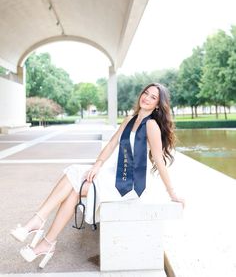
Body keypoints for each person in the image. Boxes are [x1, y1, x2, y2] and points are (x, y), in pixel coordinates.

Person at [10, 83, 184, 268]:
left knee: (74, 184)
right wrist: (98, 165)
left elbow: (158, 160)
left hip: (129, 185)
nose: (146, 98)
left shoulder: (151, 126)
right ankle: (45, 239)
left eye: (153, 97)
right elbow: (111, 145)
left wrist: (172, 193)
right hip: (113, 174)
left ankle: (40, 228)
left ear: (158, 104)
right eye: (146, 93)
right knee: (75, 178)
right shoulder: (129, 120)